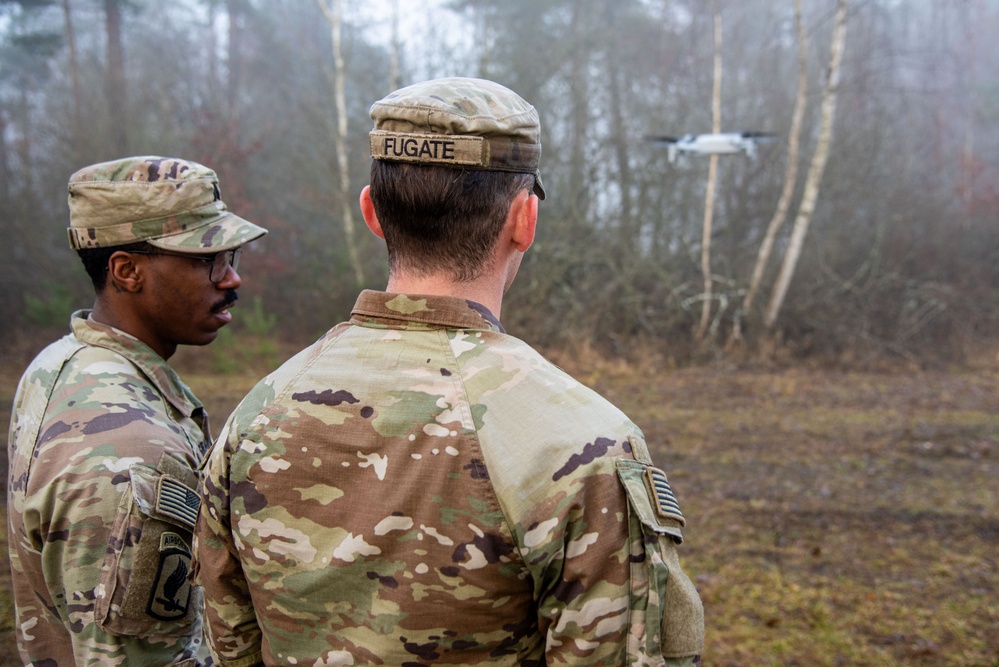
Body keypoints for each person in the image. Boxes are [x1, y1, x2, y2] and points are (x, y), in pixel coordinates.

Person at [195, 77, 704, 666]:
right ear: (525, 219)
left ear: (372, 212)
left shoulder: (256, 416)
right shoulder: (583, 445)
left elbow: (230, 643)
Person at [7, 155, 268, 665]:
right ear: (127, 271)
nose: (231, 278)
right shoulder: (132, 453)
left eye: (230, 255)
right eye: (206, 260)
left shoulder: (61, 363)